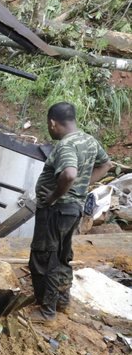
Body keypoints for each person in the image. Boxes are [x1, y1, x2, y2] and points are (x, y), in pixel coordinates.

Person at [29, 102, 111, 322]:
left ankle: (46, 310)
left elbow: (69, 174)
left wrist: (54, 196)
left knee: (45, 258)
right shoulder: (89, 140)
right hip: (72, 209)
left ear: (53, 123)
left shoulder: (66, 145)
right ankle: (62, 301)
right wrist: (82, 188)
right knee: (63, 256)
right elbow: (106, 165)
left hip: (56, 209)